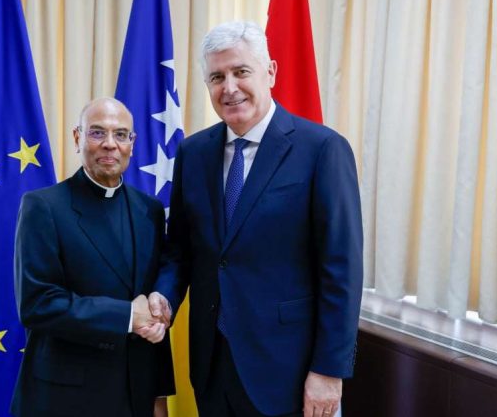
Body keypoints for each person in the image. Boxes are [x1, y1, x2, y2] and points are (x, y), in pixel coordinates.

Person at [150, 21, 363, 417]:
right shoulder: (193, 153)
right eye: (217, 77)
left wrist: (329, 371)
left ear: (270, 72)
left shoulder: (322, 150)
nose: (229, 87)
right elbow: (180, 250)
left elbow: (342, 271)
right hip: (212, 366)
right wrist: (163, 296)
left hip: (290, 371)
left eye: (241, 71)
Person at [11, 97, 174, 417]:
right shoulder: (44, 207)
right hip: (66, 398)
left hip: (136, 394)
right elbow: (37, 304)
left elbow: (151, 308)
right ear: (77, 138)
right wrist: (127, 316)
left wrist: (160, 393)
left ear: (132, 144)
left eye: (121, 134)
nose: (110, 144)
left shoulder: (150, 211)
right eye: (97, 133)